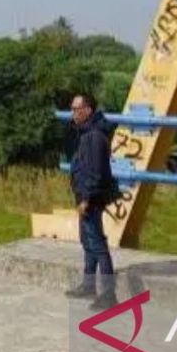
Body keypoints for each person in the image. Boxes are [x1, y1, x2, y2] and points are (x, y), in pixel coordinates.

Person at [64, 93, 119, 310]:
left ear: (88, 110)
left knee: (97, 243)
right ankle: (88, 285)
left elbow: (95, 172)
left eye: (77, 109)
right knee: (88, 241)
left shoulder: (94, 136)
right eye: (72, 108)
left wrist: (86, 199)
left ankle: (108, 294)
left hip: (91, 198)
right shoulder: (85, 132)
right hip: (84, 195)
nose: (73, 113)